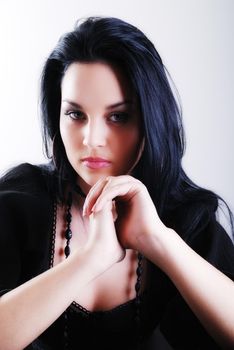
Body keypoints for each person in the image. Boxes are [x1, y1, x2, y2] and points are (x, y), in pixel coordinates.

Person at [0, 16, 234, 350]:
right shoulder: (17, 204)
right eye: (75, 114)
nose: (91, 139)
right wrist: (92, 258)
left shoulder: (190, 220)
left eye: (118, 116)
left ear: (150, 121)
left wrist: (159, 241)